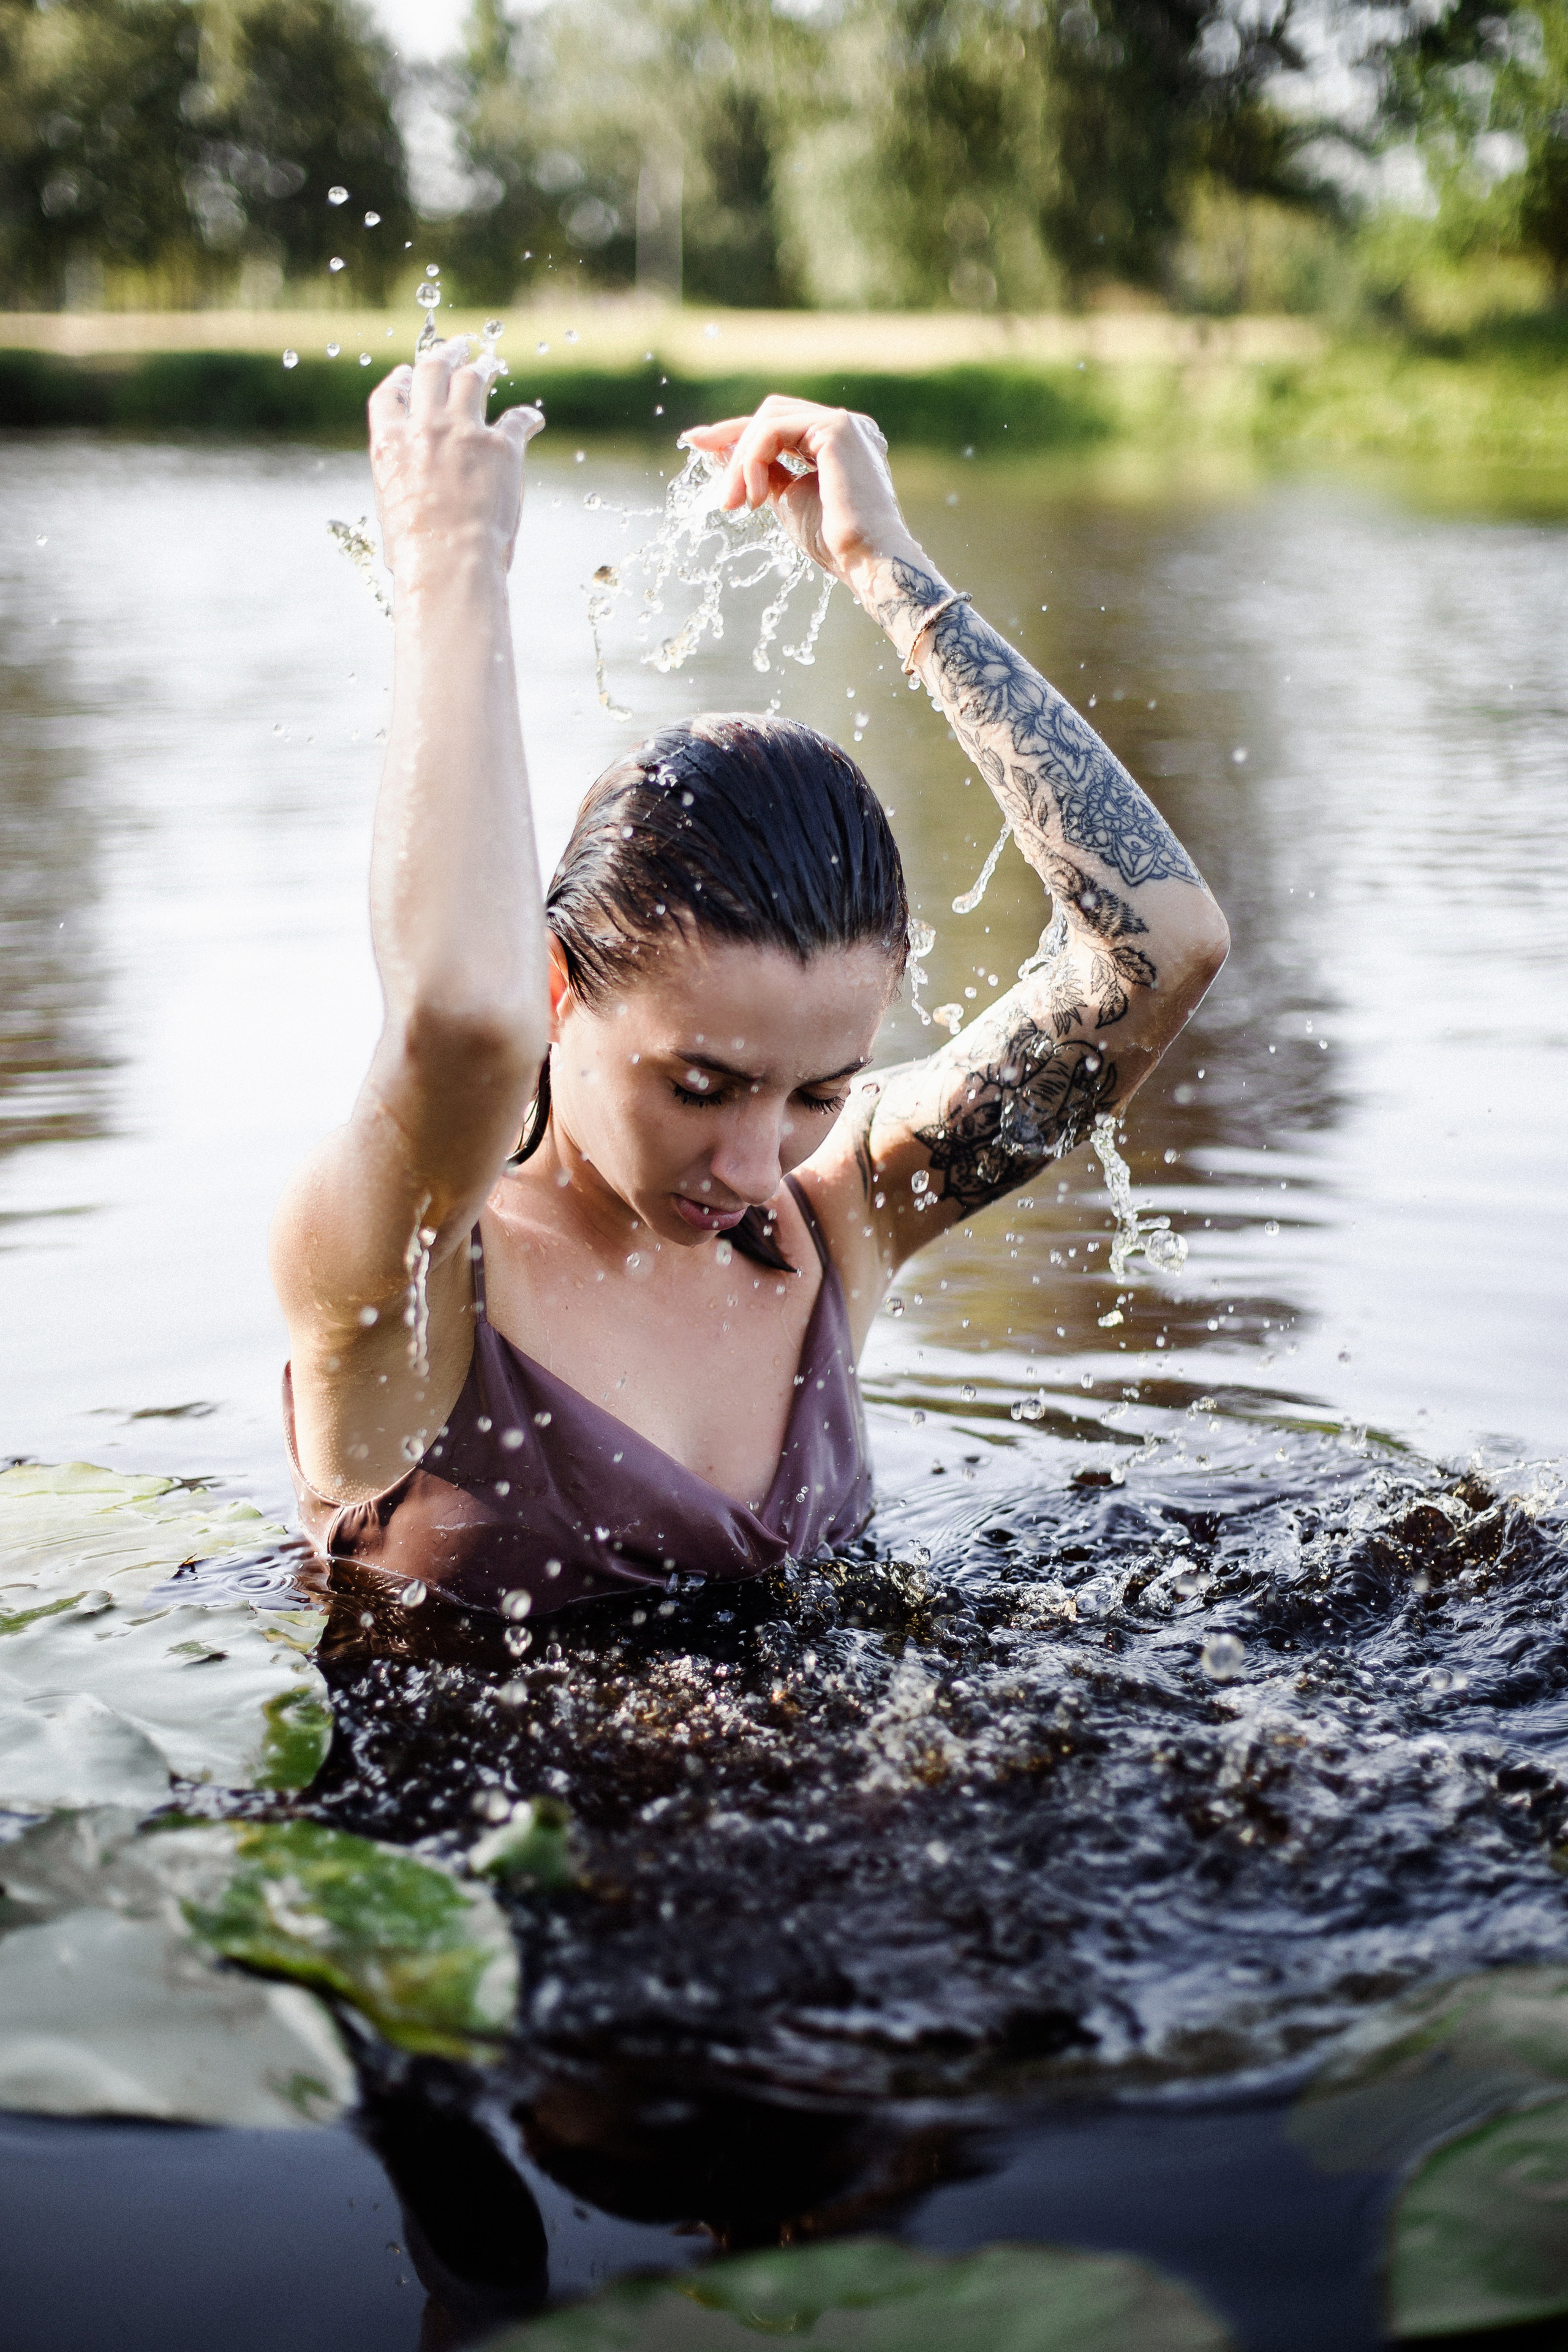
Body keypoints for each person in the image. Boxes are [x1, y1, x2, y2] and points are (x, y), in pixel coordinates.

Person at [270, 350, 1229, 1622]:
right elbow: (457, 1022)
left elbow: (1155, 946)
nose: (750, 1163)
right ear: (559, 988)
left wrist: (886, 570)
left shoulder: (838, 1224)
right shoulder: (407, 1275)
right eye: (702, 1083)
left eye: (817, 1091)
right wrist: (451, 563)